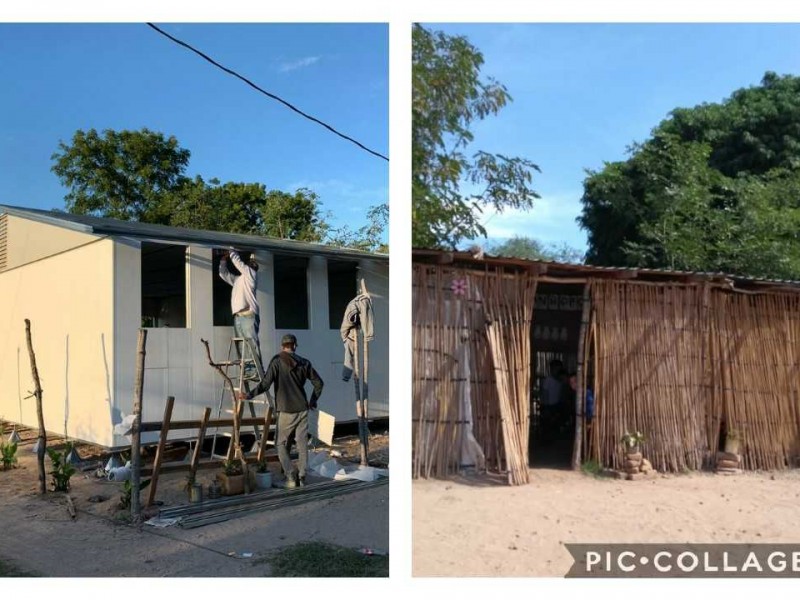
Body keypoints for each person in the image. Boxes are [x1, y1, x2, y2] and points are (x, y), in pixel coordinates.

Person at [240, 334, 324, 488]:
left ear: (282, 346)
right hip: (303, 409)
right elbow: (319, 383)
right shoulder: (305, 363)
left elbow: (265, 384)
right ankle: (303, 476)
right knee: (302, 445)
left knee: (280, 444)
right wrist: (313, 401)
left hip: (286, 410)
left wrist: (248, 395)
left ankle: (290, 476)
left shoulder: (277, 361)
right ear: (295, 345)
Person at [218, 248, 263, 379]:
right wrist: (223, 260)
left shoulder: (251, 274)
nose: (251, 265)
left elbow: (238, 263)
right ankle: (248, 370)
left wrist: (231, 250)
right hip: (238, 316)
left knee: (251, 342)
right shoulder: (239, 280)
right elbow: (224, 274)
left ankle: (256, 370)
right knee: (241, 344)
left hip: (249, 314)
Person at [539, 359, 565, 442]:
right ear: (551, 369)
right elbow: (545, 393)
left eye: (558, 369)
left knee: (554, 423)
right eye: (555, 368)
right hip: (548, 405)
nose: (557, 370)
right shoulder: (548, 379)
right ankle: (545, 441)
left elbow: (561, 393)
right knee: (546, 424)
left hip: (556, 404)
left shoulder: (561, 379)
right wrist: (546, 406)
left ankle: (551, 441)